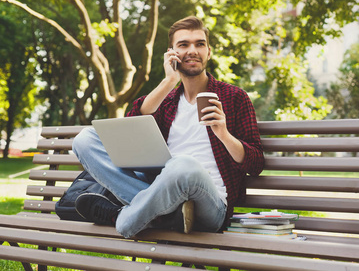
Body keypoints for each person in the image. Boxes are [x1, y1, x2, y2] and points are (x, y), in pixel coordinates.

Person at [72, 16, 265, 239]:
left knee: (183, 165)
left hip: (211, 204)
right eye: (183, 45)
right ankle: (166, 215)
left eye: (199, 44)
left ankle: (121, 218)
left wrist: (223, 134)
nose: (192, 50)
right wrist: (168, 82)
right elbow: (130, 124)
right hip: (162, 190)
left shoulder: (234, 97)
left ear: (208, 52)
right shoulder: (167, 100)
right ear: (171, 53)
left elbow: (256, 163)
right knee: (85, 139)